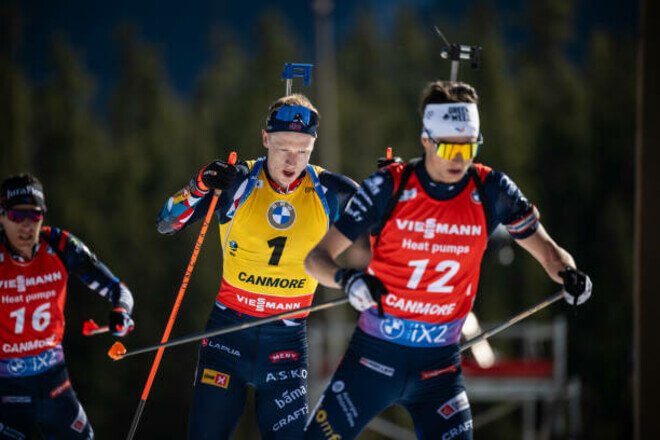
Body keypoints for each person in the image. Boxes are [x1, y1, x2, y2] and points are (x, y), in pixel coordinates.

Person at [302, 81, 592, 440]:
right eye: (447, 146)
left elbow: (549, 253)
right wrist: (348, 280)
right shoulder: (389, 186)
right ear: (425, 140)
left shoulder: (492, 190)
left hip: (438, 371)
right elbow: (316, 259)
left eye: (468, 146)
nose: (458, 159)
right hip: (372, 360)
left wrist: (571, 274)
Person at [156, 93, 357, 439]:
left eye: (302, 150)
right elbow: (167, 221)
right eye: (282, 148)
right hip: (227, 337)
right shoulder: (239, 182)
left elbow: (386, 237)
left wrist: (391, 190)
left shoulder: (332, 192)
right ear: (265, 138)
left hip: (287, 344)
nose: (292, 160)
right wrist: (199, 184)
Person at [0, 173, 135, 439]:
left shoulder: (60, 245)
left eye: (34, 216)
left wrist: (121, 312)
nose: (26, 226)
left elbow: (118, 289)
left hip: (54, 382)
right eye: (17, 216)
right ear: (2, 216)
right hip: (7, 388)